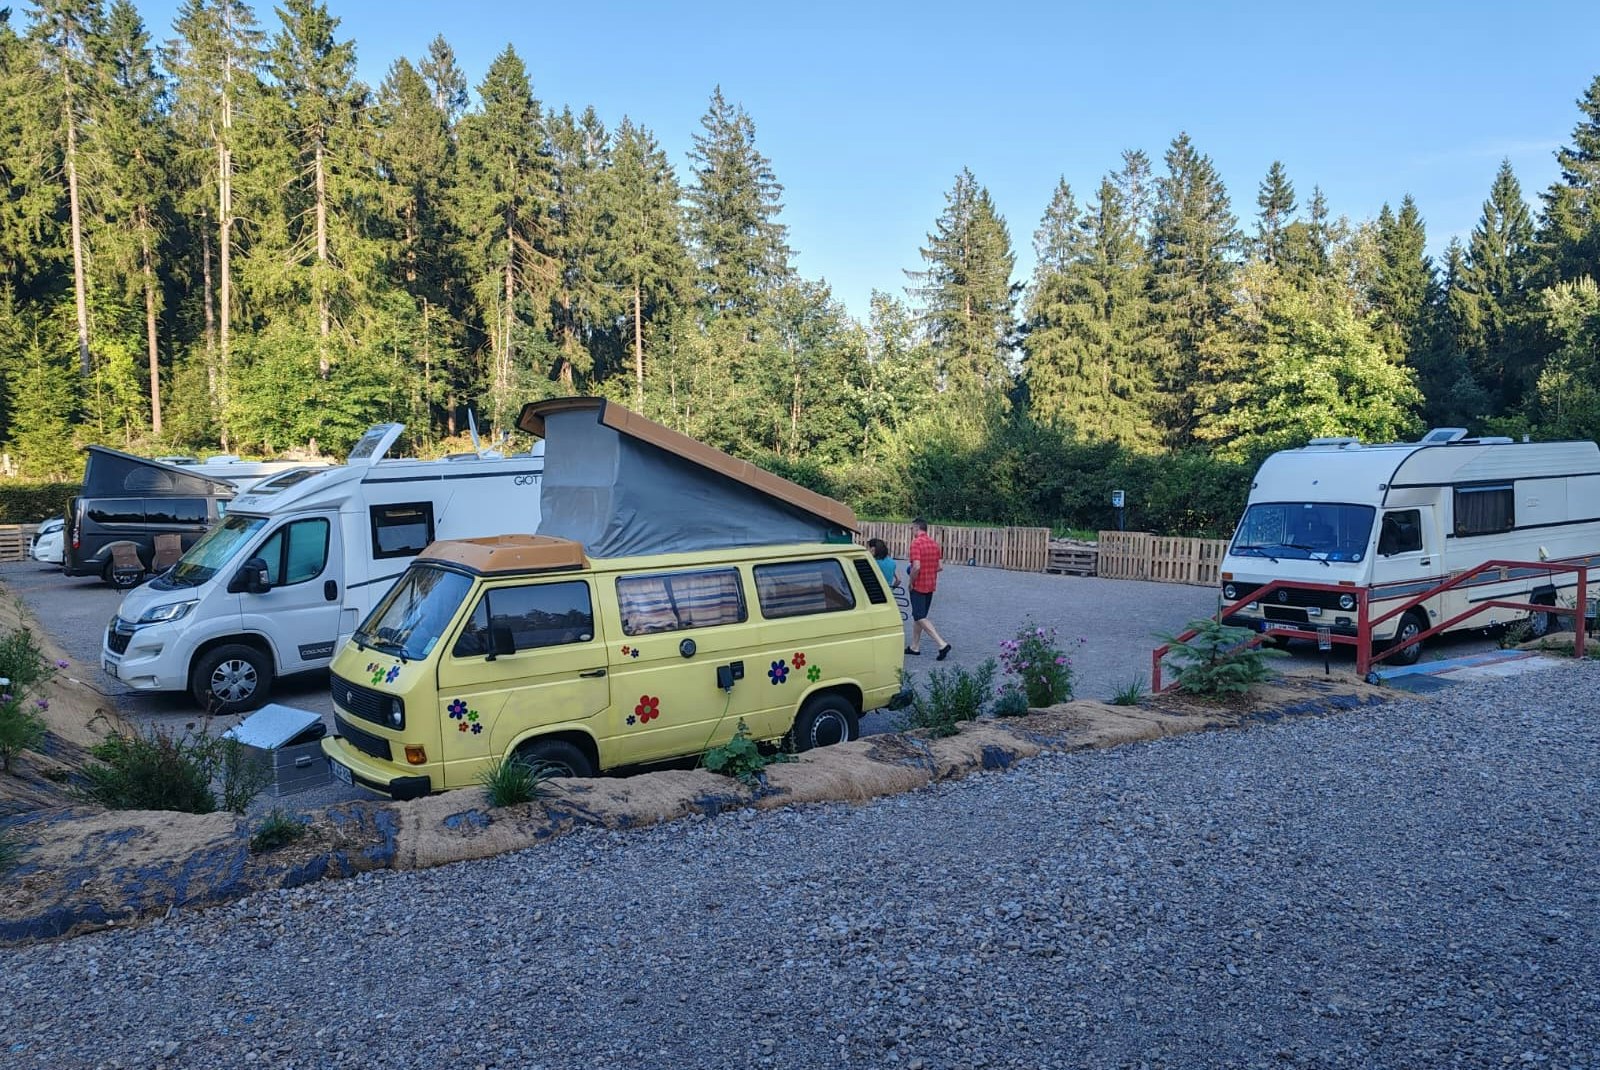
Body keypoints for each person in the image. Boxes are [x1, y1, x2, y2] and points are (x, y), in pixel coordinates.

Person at [905, 518, 951, 660]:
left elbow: (916, 566)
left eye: (912, 528)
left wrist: (911, 581)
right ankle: (915, 646)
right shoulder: (934, 544)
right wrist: (928, 570)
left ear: (916, 528)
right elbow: (940, 567)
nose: (911, 531)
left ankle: (942, 644)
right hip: (930, 584)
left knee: (919, 616)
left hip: (919, 585)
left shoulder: (916, 543)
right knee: (919, 616)